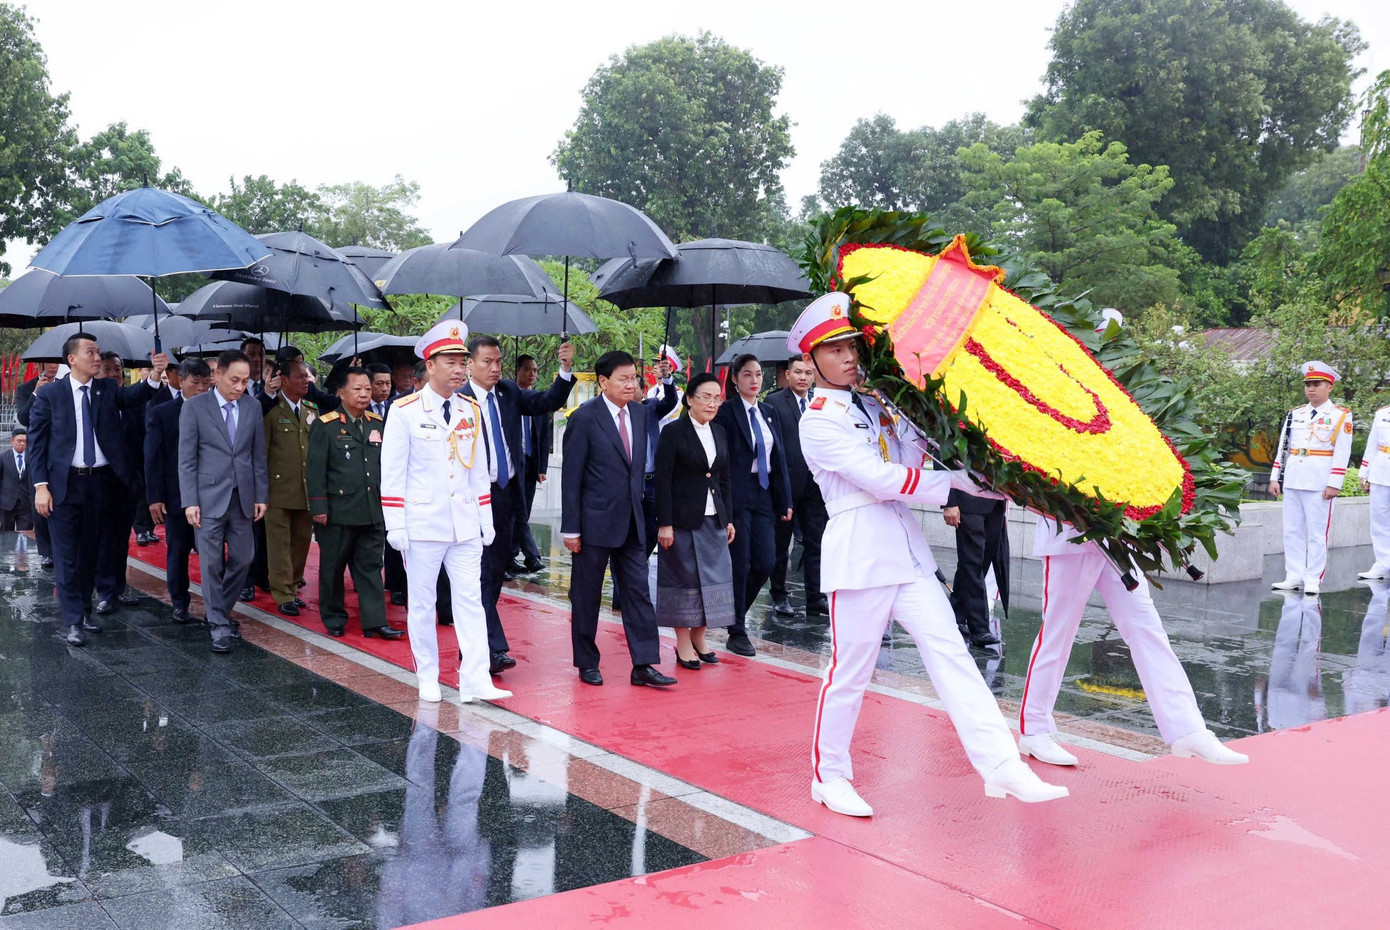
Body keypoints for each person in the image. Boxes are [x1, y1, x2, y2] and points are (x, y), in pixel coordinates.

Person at [788, 293, 1067, 816]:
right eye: (834, 348)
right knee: (850, 672)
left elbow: (925, 454)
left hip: (909, 555)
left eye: (852, 345)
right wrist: (952, 492)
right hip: (861, 555)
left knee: (953, 656)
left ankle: (1002, 764)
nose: (848, 356)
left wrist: (988, 476)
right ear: (810, 360)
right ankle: (830, 775)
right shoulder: (818, 420)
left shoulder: (879, 405)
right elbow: (881, 479)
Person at [1018, 514, 1249, 767]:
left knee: (1147, 630)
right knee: (1058, 635)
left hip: (1117, 538)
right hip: (1070, 537)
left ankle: (1186, 728)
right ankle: (1034, 729)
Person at [382, 320, 509, 705]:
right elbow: (393, 474)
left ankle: (474, 678)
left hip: (465, 523)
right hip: (423, 524)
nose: (458, 368)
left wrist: (485, 520)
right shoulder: (404, 411)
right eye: (450, 361)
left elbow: (478, 472)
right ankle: (428, 675)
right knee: (422, 602)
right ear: (429, 364)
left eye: (461, 361)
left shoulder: (470, 409)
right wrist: (396, 524)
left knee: (471, 600)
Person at [29, 335, 166, 645]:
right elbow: (37, 445)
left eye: (97, 351)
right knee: (67, 556)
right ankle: (73, 621)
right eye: (90, 352)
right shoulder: (50, 395)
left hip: (100, 483)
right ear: (72, 359)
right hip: (64, 486)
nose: (96, 357)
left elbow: (137, 394)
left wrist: (156, 374)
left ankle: (85, 612)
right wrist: (41, 487)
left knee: (91, 552)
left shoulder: (106, 390)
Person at [460, 335, 575, 675]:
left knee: (495, 573)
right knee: (477, 574)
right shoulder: (458, 400)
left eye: (498, 362)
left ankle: (477, 641)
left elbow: (548, 400)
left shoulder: (508, 393)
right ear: (470, 364)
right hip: (472, 498)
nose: (494, 368)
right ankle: (490, 647)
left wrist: (565, 370)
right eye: (487, 362)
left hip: (507, 496)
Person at [561, 350, 676, 688]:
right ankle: (586, 662)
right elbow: (571, 477)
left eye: (634, 378)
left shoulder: (640, 415)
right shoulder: (584, 418)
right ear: (603, 382)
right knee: (587, 595)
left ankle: (644, 664)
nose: (631, 384)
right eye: (624, 379)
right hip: (593, 524)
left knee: (638, 593)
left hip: (633, 522)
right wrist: (571, 527)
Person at [178, 349, 268, 653]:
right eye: (234, 380)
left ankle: (218, 609)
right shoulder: (194, 407)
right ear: (217, 375)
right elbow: (187, 459)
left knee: (244, 558)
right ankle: (218, 624)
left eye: (245, 381)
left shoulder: (252, 407)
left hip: (242, 497)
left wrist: (261, 495)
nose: (240, 386)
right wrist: (190, 500)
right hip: (207, 498)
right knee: (211, 563)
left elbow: (257, 455)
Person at [308, 367, 402, 640]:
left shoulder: (376, 424)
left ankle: (374, 621)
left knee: (371, 567)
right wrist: (319, 507)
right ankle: (334, 617)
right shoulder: (326, 425)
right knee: (333, 567)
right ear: (341, 393)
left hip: (371, 508)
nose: (364, 395)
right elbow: (315, 470)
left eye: (367, 389)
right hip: (338, 511)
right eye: (357, 389)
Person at [654, 372, 736, 668]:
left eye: (717, 398)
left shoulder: (720, 432)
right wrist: (665, 522)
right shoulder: (673, 432)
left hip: (714, 519)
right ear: (689, 400)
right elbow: (662, 481)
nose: (712, 403)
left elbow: (724, 479)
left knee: (715, 581)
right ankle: (683, 642)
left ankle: (701, 637)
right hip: (682, 519)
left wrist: (728, 518)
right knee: (684, 580)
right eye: (706, 397)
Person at [713, 353, 792, 657]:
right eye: (747, 375)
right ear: (735, 379)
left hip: (764, 494)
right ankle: (737, 630)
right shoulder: (725, 413)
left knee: (766, 561)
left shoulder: (769, 412)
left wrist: (784, 498)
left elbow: (779, 458)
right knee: (740, 561)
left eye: (758, 374)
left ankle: (733, 614)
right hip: (736, 494)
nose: (754, 380)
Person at [1269, 361, 1353, 596]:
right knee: (1292, 530)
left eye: (1317, 384)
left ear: (1330, 387)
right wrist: (1276, 476)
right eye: (1308, 385)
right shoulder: (1296, 414)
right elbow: (1283, 448)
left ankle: (1313, 577)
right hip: (1294, 476)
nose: (1311, 389)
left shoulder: (1340, 416)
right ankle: (1294, 575)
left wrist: (1334, 483)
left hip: (1319, 480)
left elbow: (1342, 451)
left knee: (1317, 533)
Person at [145, 358, 213, 624]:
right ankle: (179, 600)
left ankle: (214, 605)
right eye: (194, 383)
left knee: (213, 554)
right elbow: (153, 458)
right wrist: (155, 497)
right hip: (176, 496)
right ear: (180, 381)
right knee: (178, 550)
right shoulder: (162, 412)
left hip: (211, 495)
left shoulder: (216, 410)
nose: (200, 389)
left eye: (205, 384)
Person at [764, 353, 828, 618]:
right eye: (798, 372)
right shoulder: (774, 402)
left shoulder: (820, 402)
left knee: (817, 543)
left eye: (808, 373)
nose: (803, 377)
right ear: (788, 375)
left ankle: (815, 597)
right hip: (786, 485)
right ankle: (779, 594)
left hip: (815, 485)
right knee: (782, 545)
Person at [263, 359, 317, 617]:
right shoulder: (272, 411)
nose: (305, 381)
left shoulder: (311, 409)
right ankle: (283, 593)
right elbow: (262, 453)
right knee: (279, 545)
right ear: (283, 379)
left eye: (306, 377)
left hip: (305, 490)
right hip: (278, 491)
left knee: (301, 543)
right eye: (299, 377)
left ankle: (293, 587)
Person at [384, 360, 427, 608]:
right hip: (406, 489)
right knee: (397, 543)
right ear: (417, 382)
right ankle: (397, 586)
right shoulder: (399, 407)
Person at [943, 489, 1008, 648]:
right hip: (967, 501)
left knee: (978, 563)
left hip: (995, 503)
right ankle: (979, 630)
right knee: (973, 563)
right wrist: (949, 502)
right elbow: (945, 464)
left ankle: (956, 615)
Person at [506, 354, 548, 576]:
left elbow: (544, 436)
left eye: (535, 370)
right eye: (528, 369)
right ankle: (531, 556)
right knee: (517, 510)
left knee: (525, 510)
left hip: (531, 463)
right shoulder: (508, 398)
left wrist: (542, 467)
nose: (532, 374)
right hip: (513, 463)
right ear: (517, 372)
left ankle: (511, 555)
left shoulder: (537, 399)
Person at [1357, 401, 1390, 580]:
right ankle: (1383, 564)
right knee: (1379, 520)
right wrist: (1365, 473)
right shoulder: (1383, 414)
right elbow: (1372, 445)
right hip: (1381, 470)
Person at [0, 429, 32, 531]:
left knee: (25, 535)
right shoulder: (3, 457)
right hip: (7, 504)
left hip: (26, 504)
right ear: (12, 440)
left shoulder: (32, 458)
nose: (22, 443)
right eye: (19, 441)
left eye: (25, 441)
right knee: (6, 535)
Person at [15, 362, 58, 427]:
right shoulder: (24, 388)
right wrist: (35, 393)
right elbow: (23, 419)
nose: (53, 366)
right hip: (37, 434)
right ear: (36, 364)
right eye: (48, 362)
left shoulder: (64, 386)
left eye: (56, 362)